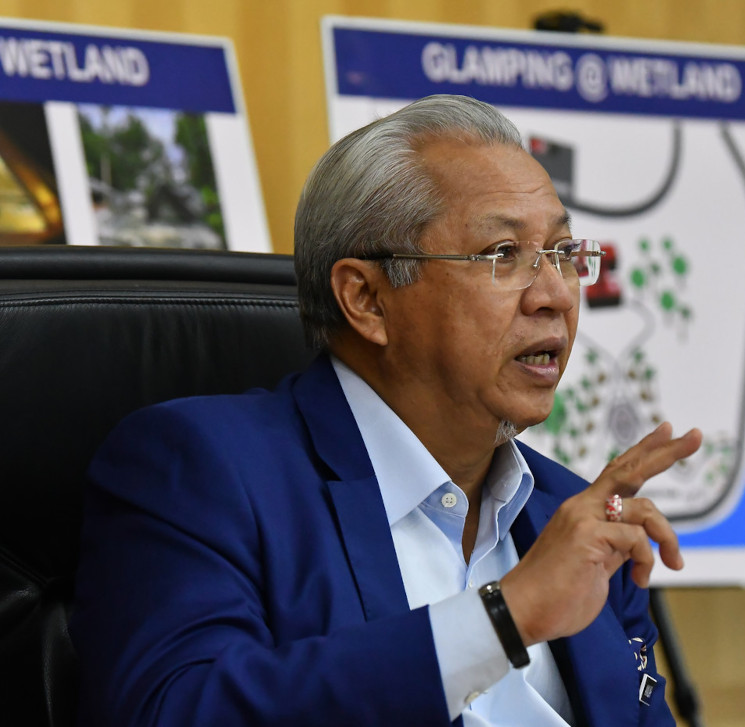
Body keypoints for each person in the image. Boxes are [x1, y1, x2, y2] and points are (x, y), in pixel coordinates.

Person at [71, 94, 702, 726]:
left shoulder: (570, 517)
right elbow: (176, 712)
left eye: (564, 254)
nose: (556, 295)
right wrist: (503, 620)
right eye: (503, 254)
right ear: (367, 298)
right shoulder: (203, 471)